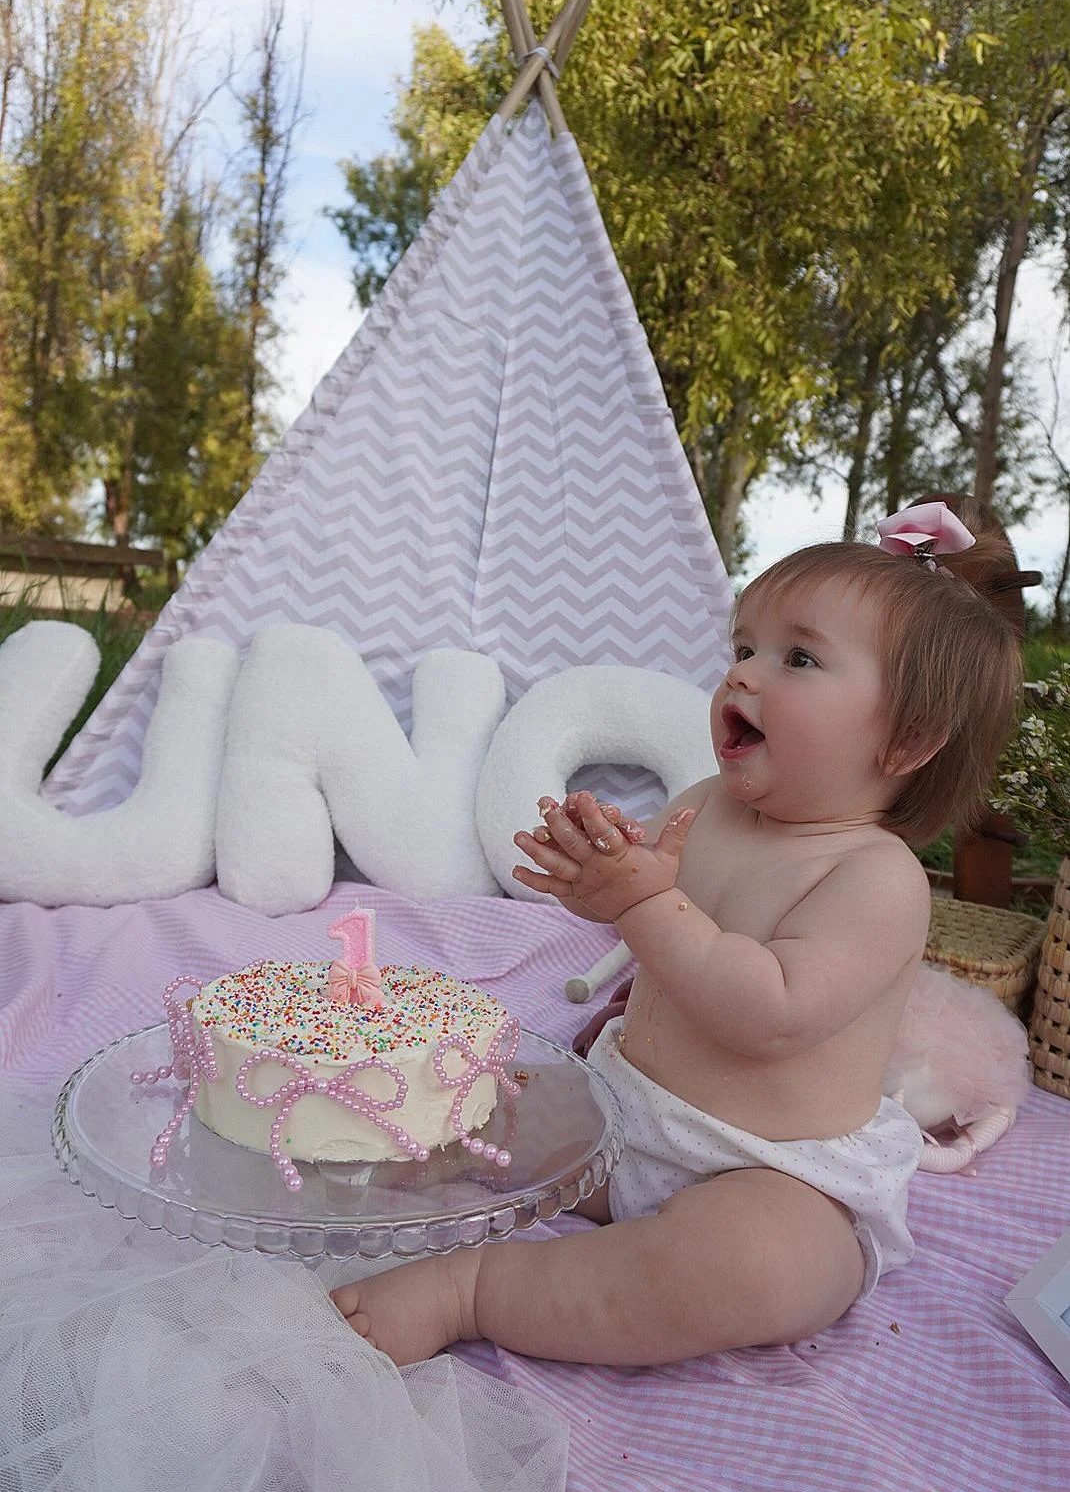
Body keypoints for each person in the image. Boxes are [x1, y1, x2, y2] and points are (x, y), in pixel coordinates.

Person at [332, 498, 1023, 1367]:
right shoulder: (705, 804)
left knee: (756, 1269)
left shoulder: (874, 878)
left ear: (907, 741)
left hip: (770, 1173)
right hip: (623, 1110)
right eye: (743, 648)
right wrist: (601, 879)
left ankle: (474, 1289)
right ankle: (367, 1156)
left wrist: (645, 904)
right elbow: (654, 926)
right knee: (477, 1096)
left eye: (798, 658)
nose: (743, 676)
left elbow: (770, 1014)